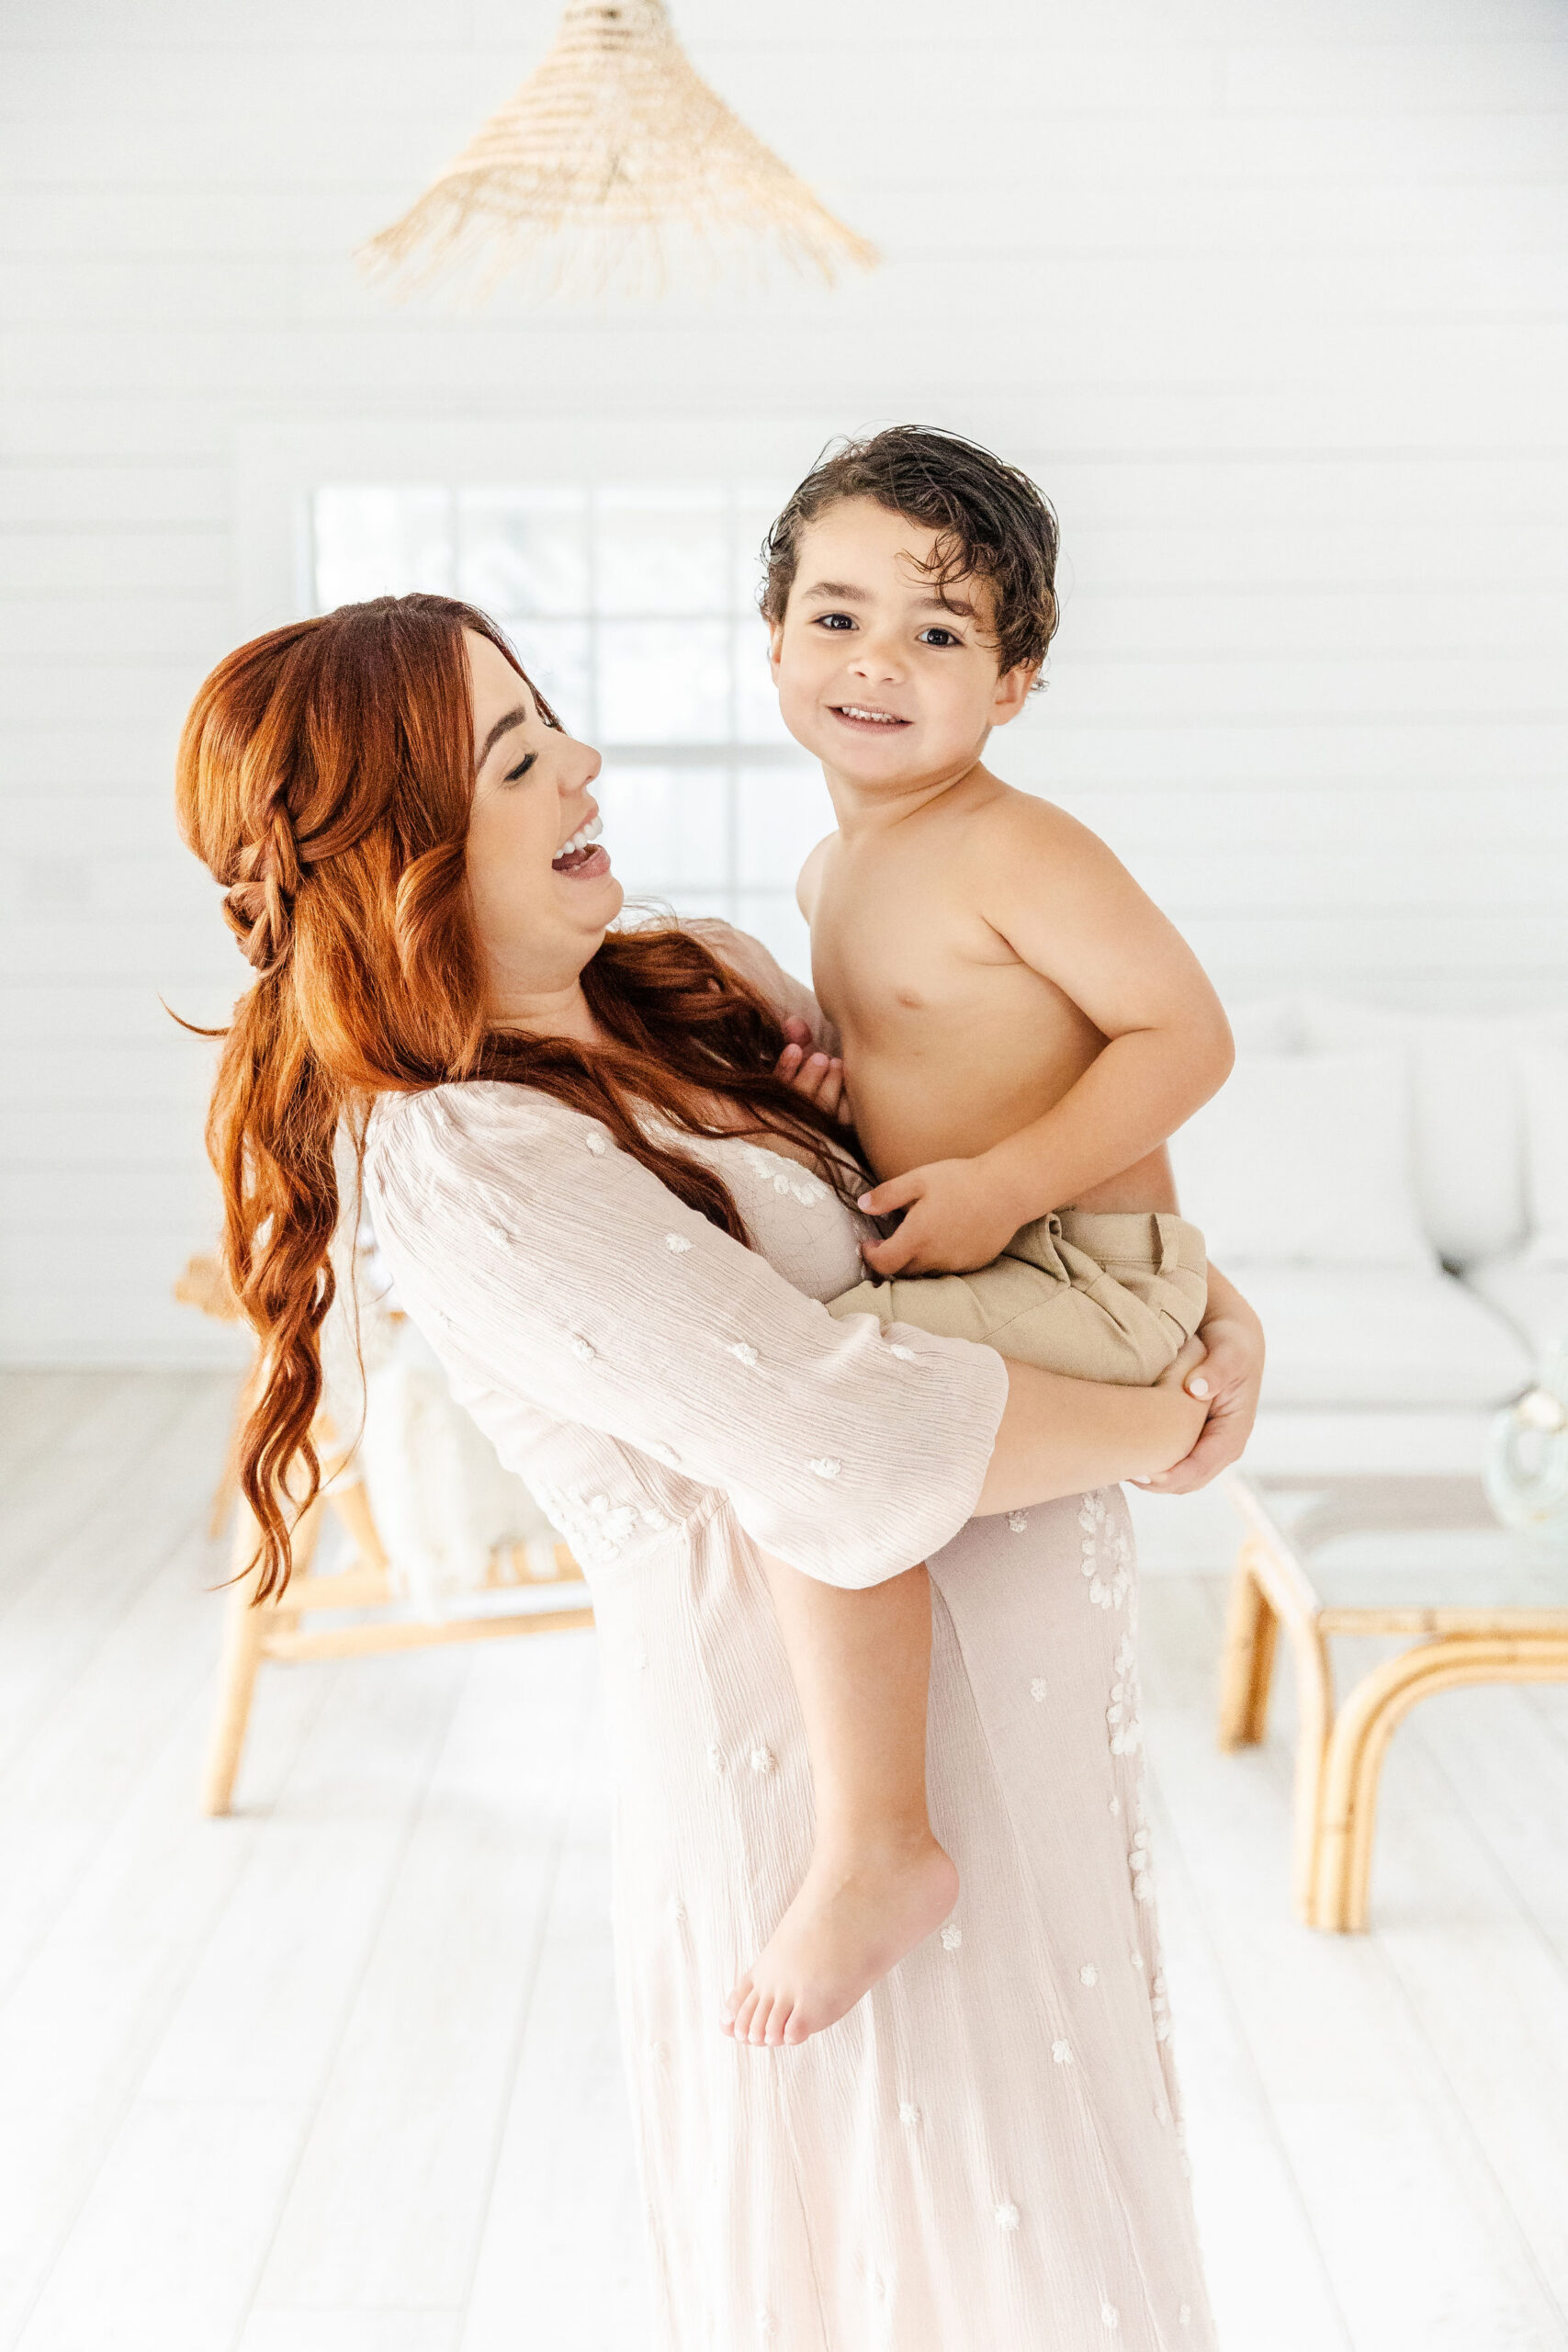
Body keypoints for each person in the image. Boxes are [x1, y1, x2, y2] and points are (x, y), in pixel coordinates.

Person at [176, 591, 1261, 2349]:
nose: (584, 764)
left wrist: (1205, 1311)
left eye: (556, 724)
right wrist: (1164, 1425)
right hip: (809, 1800)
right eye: (519, 759)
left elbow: (978, 1203)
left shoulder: (695, 1000)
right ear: (404, 856)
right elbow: (842, 1433)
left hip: (1024, 1765)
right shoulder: (471, 1154)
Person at [720, 426, 1247, 2052]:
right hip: (1004, 1256)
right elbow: (940, 1047)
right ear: (774, 636)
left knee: (823, 1424)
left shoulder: (1017, 842)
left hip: (1083, 1270)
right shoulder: (835, 861)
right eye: (839, 616)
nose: (877, 663)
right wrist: (846, 1078)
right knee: (818, 1400)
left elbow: (1183, 1038)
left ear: (1013, 683)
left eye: (939, 635)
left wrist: (1009, 1180)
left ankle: (880, 1845)